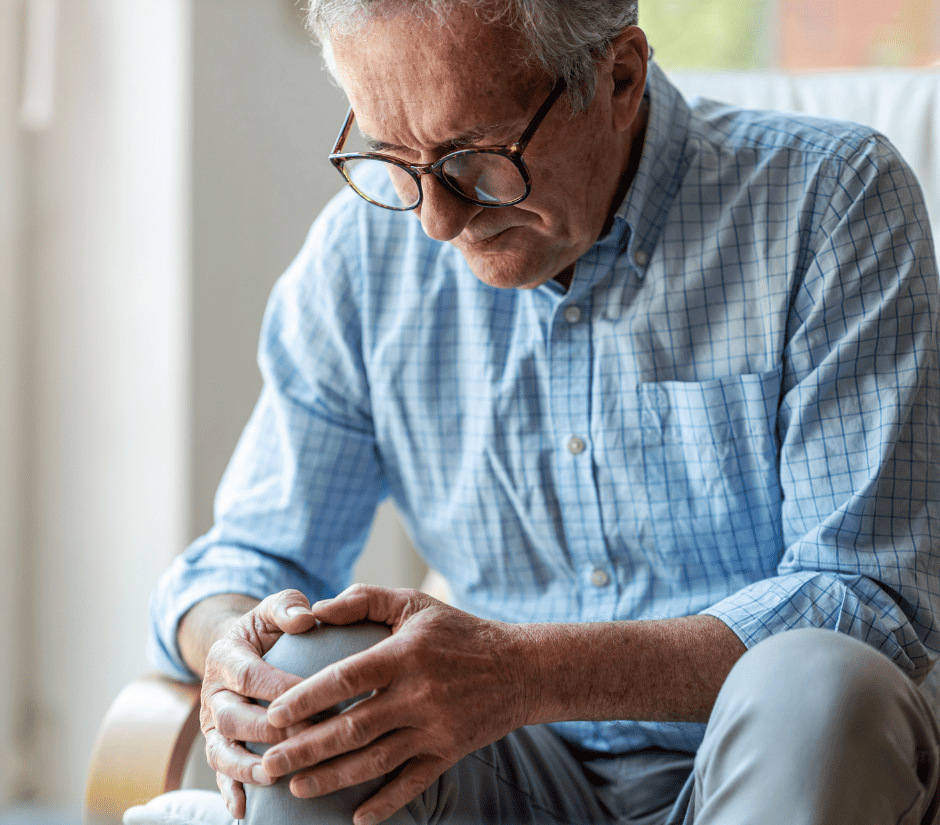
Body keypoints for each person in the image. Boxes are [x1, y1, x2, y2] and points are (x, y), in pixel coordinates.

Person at [137, 1, 940, 823]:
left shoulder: (829, 200)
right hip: (501, 776)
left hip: (772, 758)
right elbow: (245, 557)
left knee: (817, 680)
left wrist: (519, 672)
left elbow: (869, 602)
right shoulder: (361, 259)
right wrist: (239, 649)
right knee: (313, 667)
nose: (436, 220)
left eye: (474, 156)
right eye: (391, 159)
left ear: (619, 76)